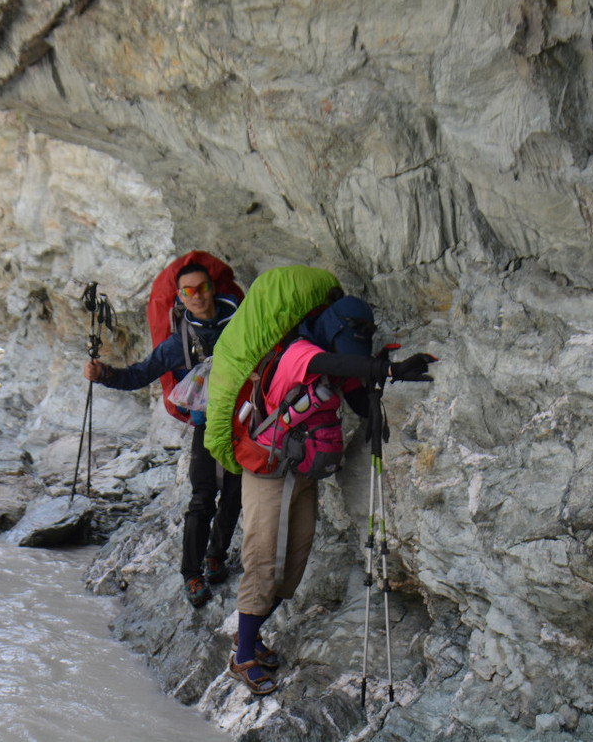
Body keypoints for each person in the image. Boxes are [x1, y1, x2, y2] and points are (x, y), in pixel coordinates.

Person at [226, 295, 435, 696]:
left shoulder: (336, 355)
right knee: (264, 558)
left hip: (304, 470)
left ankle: (247, 637)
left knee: (296, 559)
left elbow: (355, 391)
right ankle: (243, 656)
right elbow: (333, 366)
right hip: (268, 470)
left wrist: (378, 404)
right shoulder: (299, 352)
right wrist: (386, 367)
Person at [84, 262, 243, 606]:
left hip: (245, 418)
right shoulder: (178, 343)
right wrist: (105, 375)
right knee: (203, 496)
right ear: (180, 297)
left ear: (212, 287)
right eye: (188, 291)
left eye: (201, 288)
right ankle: (191, 573)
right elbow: (141, 374)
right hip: (207, 423)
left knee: (234, 494)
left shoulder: (243, 320)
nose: (196, 296)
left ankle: (216, 555)